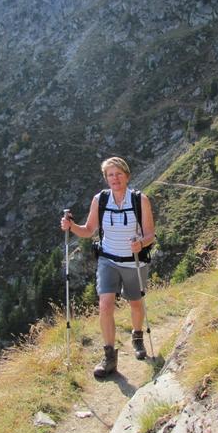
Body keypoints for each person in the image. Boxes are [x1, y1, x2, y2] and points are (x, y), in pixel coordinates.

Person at [60, 157, 155, 378]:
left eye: (119, 173)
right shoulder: (100, 200)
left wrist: (141, 243)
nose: (115, 178)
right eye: (110, 175)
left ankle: (137, 335)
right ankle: (109, 356)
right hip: (108, 260)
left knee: (136, 303)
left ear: (127, 176)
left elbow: (150, 234)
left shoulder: (140, 200)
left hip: (134, 260)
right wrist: (71, 226)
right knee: (105, 305)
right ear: (106, 178)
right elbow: (88, 230)